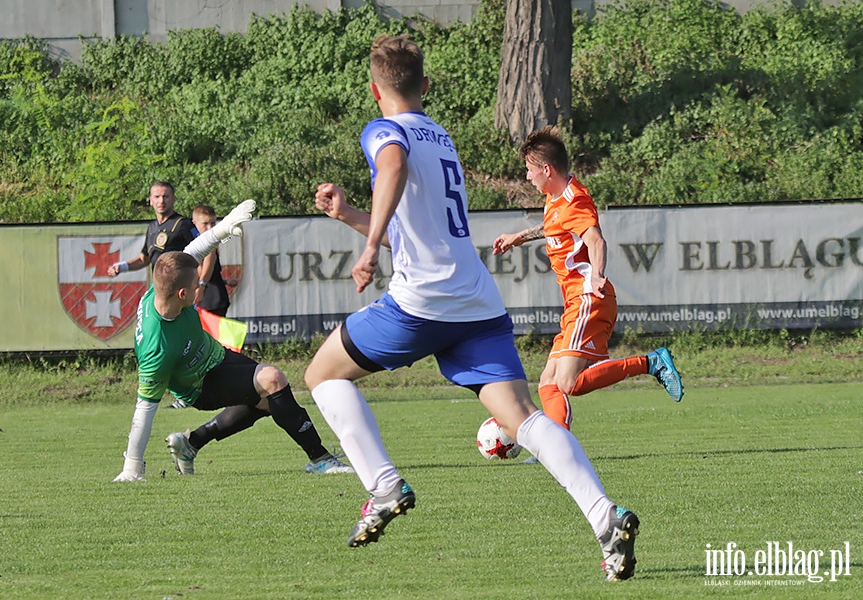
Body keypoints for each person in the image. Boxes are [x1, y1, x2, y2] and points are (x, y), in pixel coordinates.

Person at [304, 34, 640, 581]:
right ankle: (606, 518)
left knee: (321, 374)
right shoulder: (441, 137)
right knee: (523, 417)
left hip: (422, 302)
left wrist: (366, 248)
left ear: (373, 90)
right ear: (426, 87)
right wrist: (351, 218)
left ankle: (384, 486)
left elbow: (389, 169)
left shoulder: (382, 129)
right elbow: (416, 233)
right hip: (476, 301)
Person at [113, 200, 354, 482]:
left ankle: (193, 442)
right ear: (181, 294)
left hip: (217, 356)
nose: (198, 289)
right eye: (195, 287)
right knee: (273, 381)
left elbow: (188, 255)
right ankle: (320, 459)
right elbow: (144, 409)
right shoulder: (158, 348)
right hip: (201, 385)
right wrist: (132, 468)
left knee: (273, 401)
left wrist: (223, 229)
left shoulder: (163, 285)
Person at [492, 126, 684, 436]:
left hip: (587, 297)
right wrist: (520, 237)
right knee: (548, 383)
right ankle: (555, 448)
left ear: (546, 169)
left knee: (568, 383)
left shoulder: (574, 201)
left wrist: (596, 276)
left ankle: (650, 363)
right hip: (574, 302)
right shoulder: (557, 197)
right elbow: (553, 226)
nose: (527, 177)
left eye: (529, 171)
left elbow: (596, 240)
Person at [107, 181, 195, 276]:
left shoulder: (183, 224)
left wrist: (201, 283)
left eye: (165, 197)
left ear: (174, 199)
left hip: (179, 284)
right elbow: (144, 259)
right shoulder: (152, 227)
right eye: (157, 197)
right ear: (151, 201)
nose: (161, 201)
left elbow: (201, 254)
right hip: (159, 284)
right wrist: (121, 267)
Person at [191, 204, 238, 317]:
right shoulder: (197, 241)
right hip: (209, 295)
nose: (210, 228)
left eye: (213, 223)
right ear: (194, 223)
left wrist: (201, 286)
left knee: (211, 333)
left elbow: (209, 260)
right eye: (205, 224)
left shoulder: (209, 243)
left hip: (210, 298)